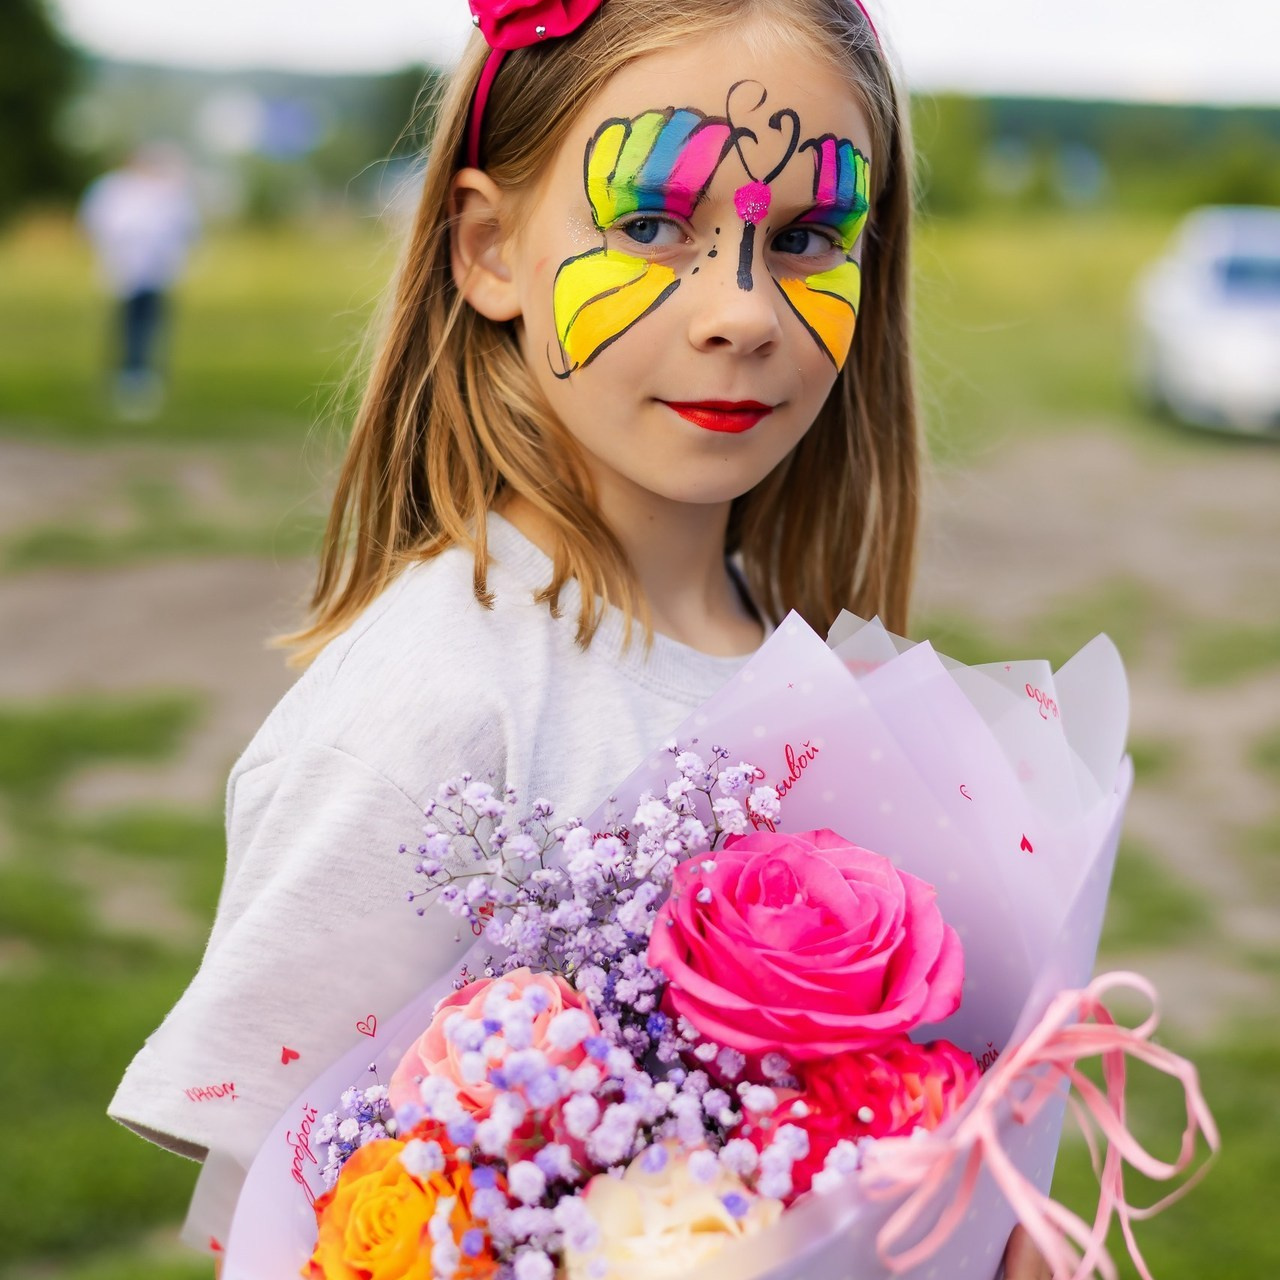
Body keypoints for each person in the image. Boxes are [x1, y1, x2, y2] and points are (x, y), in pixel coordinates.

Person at [109, 1, 1048, 1275]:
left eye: (810, 235)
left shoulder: (817, 687)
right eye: (653, 224)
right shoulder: (427, 708)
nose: (742, 310)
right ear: (489, 248)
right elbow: (278, 1227)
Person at [79, 144, 199, 419]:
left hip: (158, 270)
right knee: (129, 322)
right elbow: (98, 224)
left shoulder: (166, 190)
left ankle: (145, 374)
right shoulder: (114, 189)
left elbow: (184, 228)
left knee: (152, 322)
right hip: (125, 268)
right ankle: (128, 374)